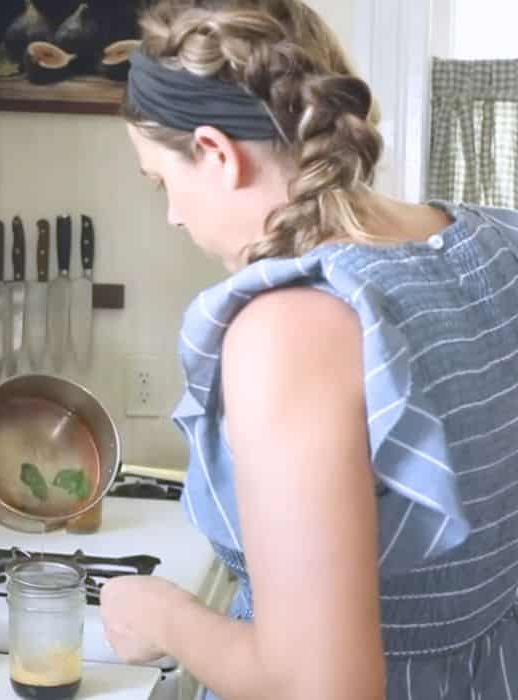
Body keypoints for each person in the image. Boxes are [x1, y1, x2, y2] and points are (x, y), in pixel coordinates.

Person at [98, 1, 518, 698]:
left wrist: (162, 615)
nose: (172, 214)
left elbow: (318, 688)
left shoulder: (290, 325)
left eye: (160, 183)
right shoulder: (501, 240)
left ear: (215, 153)